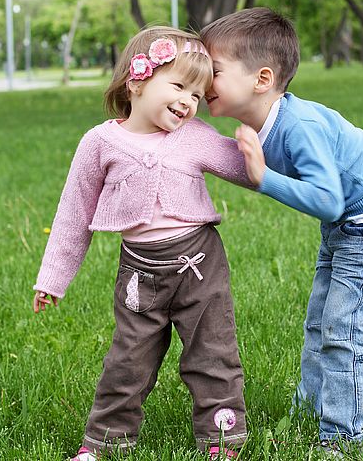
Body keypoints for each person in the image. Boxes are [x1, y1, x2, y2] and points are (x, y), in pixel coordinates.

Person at [33, 27, 251, 460]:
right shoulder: (100, 142)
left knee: (213, 354)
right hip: (140, 273)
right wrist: (53, 278)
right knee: (127, 362)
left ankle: (221, 440)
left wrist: (272, 154)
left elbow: (246, 169)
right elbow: (74, 213)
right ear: (136, 81)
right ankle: (104, 443)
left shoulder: (195, 135)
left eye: (197, 93)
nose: (189, 101)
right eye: (179, 86)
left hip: (200, 265)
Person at [201, 8, 363, 457]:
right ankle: (309, 410)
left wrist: (264, 179)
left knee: (342, 328)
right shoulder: (261, 123)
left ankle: (342, 437)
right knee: (318, 320)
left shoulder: (299, 127)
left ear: (261, 79)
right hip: (345, 224)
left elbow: (329, 199)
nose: (203, 82)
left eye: (213, 71)